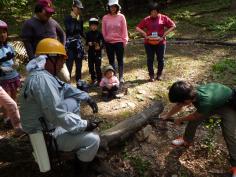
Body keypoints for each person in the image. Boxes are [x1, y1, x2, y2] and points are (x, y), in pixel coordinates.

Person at [19, 38, 100, 176]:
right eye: (61, 60)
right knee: (94, 140)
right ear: (50, 58)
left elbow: (66, 88)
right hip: (47, 135)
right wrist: (84, 125)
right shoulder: (42, 79)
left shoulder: (43, 74)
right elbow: (56, 113)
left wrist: (87, 97)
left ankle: (74, 132)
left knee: (73, 101)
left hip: (48, 124)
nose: (62, 64)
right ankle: (80, 170)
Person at [161, 81, 236, 177]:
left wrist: (180, 119)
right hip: (214, 101)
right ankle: (186, 140)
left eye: (180, 101)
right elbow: (179, 105)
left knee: (229, 134)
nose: (179, 104)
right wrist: (167, 116)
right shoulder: (190, 93)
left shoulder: (205, 100)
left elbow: (194, 116)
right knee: (193, 122)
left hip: (228, 105)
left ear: (187, 100)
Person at [21, 0, 69, 83]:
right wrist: (33, 60)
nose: (49, 14)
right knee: (43, 83)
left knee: (65, 79)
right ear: (38, 10)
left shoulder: (53, 22)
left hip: (57, 57)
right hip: (40, 60)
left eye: (50, 12)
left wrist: (62, 48)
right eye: (46, 12)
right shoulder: (29, 24)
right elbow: (27, 42)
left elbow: (62, 34)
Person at [136, 2, 176, 82]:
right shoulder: (146, 19)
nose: (153, 13)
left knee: (160, 59)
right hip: (149, 43)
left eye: (155, 12)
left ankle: (159, 74)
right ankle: (151, 75)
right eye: (151, 12)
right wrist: (145, 35)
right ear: (149, 12)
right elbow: (137, 27)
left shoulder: (163, 18)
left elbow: (173, 26)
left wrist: (164, 35)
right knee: (150, 59)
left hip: (160, 43)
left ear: (158, 11)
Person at [0, 20, 21, 130]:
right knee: (6, 99)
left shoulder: (9, 46)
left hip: (13, 75)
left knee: (14, 96)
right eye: (0, 33)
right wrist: (3, 68)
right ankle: (6, 118)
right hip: (3, 78)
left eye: (4, 32)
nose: (2, 35)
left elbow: (13, 59)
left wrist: (16, 64)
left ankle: (14, 115)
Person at [102, 0, 128, 83]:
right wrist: (106, 39)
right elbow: (103, 30)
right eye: (111, 6)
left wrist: (124, 41)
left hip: (119, 41)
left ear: (117, 7)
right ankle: (114, 77)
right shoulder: (105, 17)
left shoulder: (121, 17)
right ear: (108, 7)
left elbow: (124, 30)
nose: (112, 8)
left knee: (120, 60)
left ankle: (121, 77)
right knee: (111, 61)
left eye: (114, 6)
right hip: (109, 42)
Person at [64, 0, 85, 82]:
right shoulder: (68, 18)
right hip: (70, 45)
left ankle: (79, 84)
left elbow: (81, 32)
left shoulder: (80, 19)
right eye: (78, 8)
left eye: (80, 8)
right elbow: (70, 30)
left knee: (79, 66)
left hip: (78, 45)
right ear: (73, 7)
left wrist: (89, 39)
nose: (79, 10)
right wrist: (74, 19)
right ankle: (67, 84)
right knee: (69, 65)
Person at [86, 17, 104, 85]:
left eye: (95, 25)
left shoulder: (99, 33)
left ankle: (99, 79)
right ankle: (93, 78)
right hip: (90, 53)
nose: (93, 27)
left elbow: (103, 43)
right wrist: (88, 43)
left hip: (97, 53)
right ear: (90, 26)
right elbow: (86, 42)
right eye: (92, 25)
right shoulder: (88, 33)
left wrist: (99, 47)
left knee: (97, 66)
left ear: (97, 26)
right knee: (90, 66)